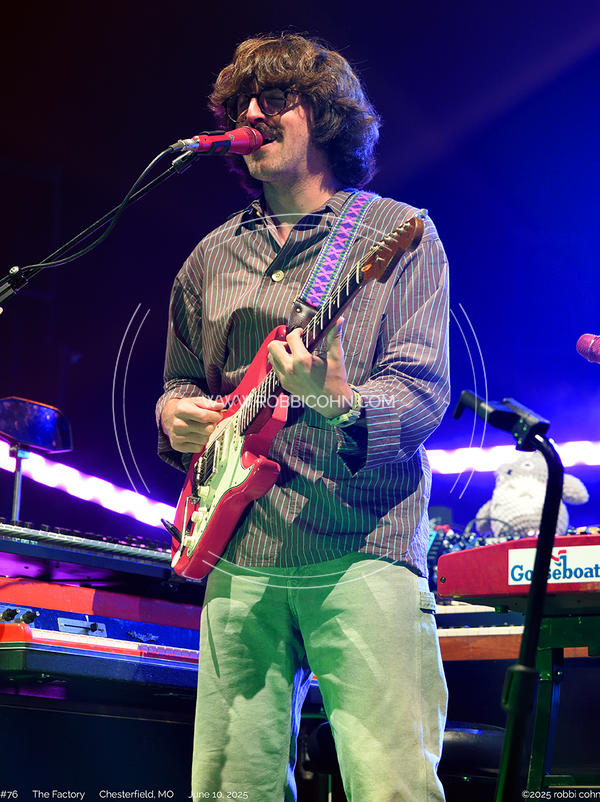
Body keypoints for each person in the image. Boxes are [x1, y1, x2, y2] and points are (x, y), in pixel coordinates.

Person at [156, 33, 450, 802]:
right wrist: (176, 415)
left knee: (392, 788)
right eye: (241, 104)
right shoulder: (209, 258)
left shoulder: (398, 233)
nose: (252, 114)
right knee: (230, 790)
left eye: (276, 98)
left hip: (362, 549)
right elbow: (180, 382)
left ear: (326, 116)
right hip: (239, 556)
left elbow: (422, 392)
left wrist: (339, 403)